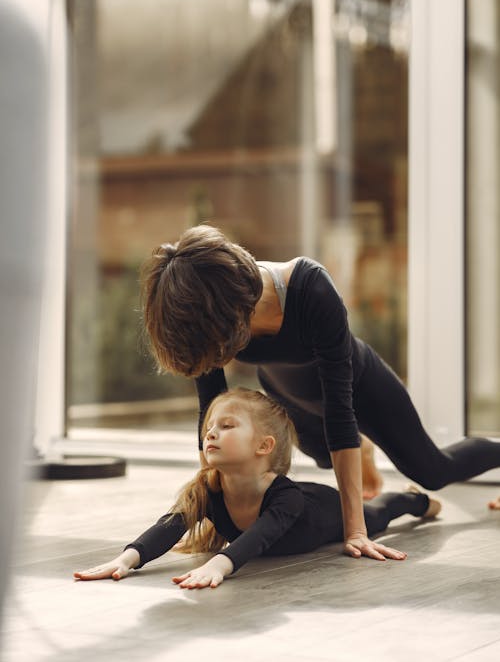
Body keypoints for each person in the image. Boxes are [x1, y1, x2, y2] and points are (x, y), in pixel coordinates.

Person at [138, 225, 500, 560]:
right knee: (325, 457)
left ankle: (368, 445)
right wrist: (213, 519)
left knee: (432, 471)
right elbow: (210, 411)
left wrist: (356, 531)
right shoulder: (205, 321)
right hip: (286, 390)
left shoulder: (309, 288)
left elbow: (340, 412)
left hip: (356, 387)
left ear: (233, 310)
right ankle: (362, 449)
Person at [74, 389, 440, 588]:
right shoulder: (209, 488)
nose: (211, 433)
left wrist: (220, 566)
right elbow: (168, 526)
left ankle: (413, 499)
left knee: (376, 513)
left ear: (263, 446)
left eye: (227, 425)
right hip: (300, 510)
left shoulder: (287, 496)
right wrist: (125, 560)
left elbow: (259, 538)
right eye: (209, 428)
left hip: (324, 511)